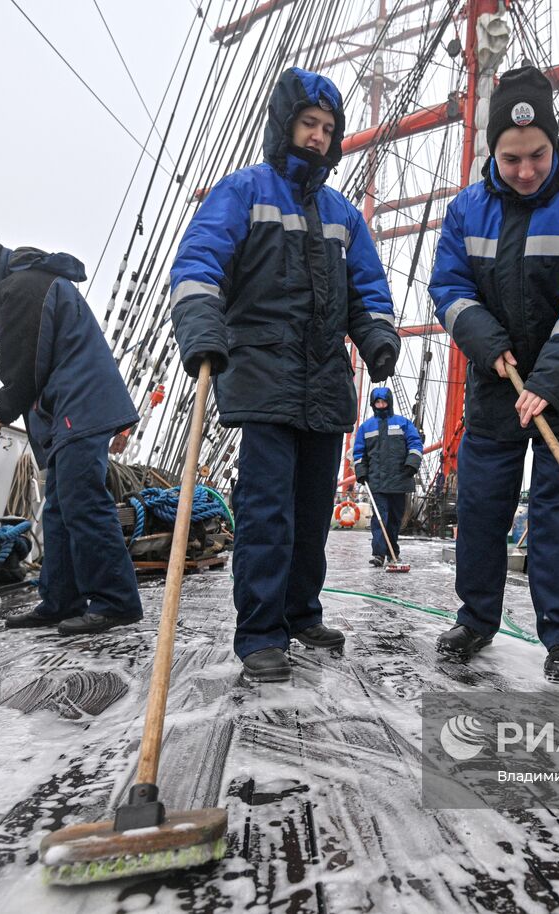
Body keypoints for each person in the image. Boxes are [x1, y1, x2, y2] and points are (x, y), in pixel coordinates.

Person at [169, 68, 399, 682]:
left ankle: (301, 612)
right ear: (285, 125)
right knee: (268, 511)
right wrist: (201, 329)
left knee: (311, 509)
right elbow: (198, 265)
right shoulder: (244, 193)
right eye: (309, 124)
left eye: (328, 128)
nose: (319, 137)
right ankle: (261, 630)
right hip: (263, 376)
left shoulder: (345, 218)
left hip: (325, 384)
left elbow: (368, 292)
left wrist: (377, 335)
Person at [428, 66, 559, 684]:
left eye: (537, 155)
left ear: (554, 142)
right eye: (511, 159)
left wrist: (550, 379)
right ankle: (476, 617)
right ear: (493, 150)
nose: (526, 170)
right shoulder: (465, 210)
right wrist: (486, 343)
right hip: (495, 381)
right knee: (481, 508)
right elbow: (450, 288)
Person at [0, 227, 143, 636]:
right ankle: (59, 601)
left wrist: (4, 409)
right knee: (57, 510)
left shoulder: (22, 287)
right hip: (65, 408)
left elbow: (25, 364)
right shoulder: (24, 281)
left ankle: (116, 601)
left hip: (79, 404)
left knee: (83, 503)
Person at [352, 386, 424, 565]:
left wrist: (412, 465)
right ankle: (379, 554)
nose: (381, 405)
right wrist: (361, 472)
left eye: (383, 401)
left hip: (400, 480)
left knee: (394, 519)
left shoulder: (403, 423)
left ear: (389, 402)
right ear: (373, 403)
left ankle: (393, 552)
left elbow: (415, 444)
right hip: (376, 482)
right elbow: (359, 453)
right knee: (380, 518)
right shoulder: (365, 427)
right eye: (377, 402)